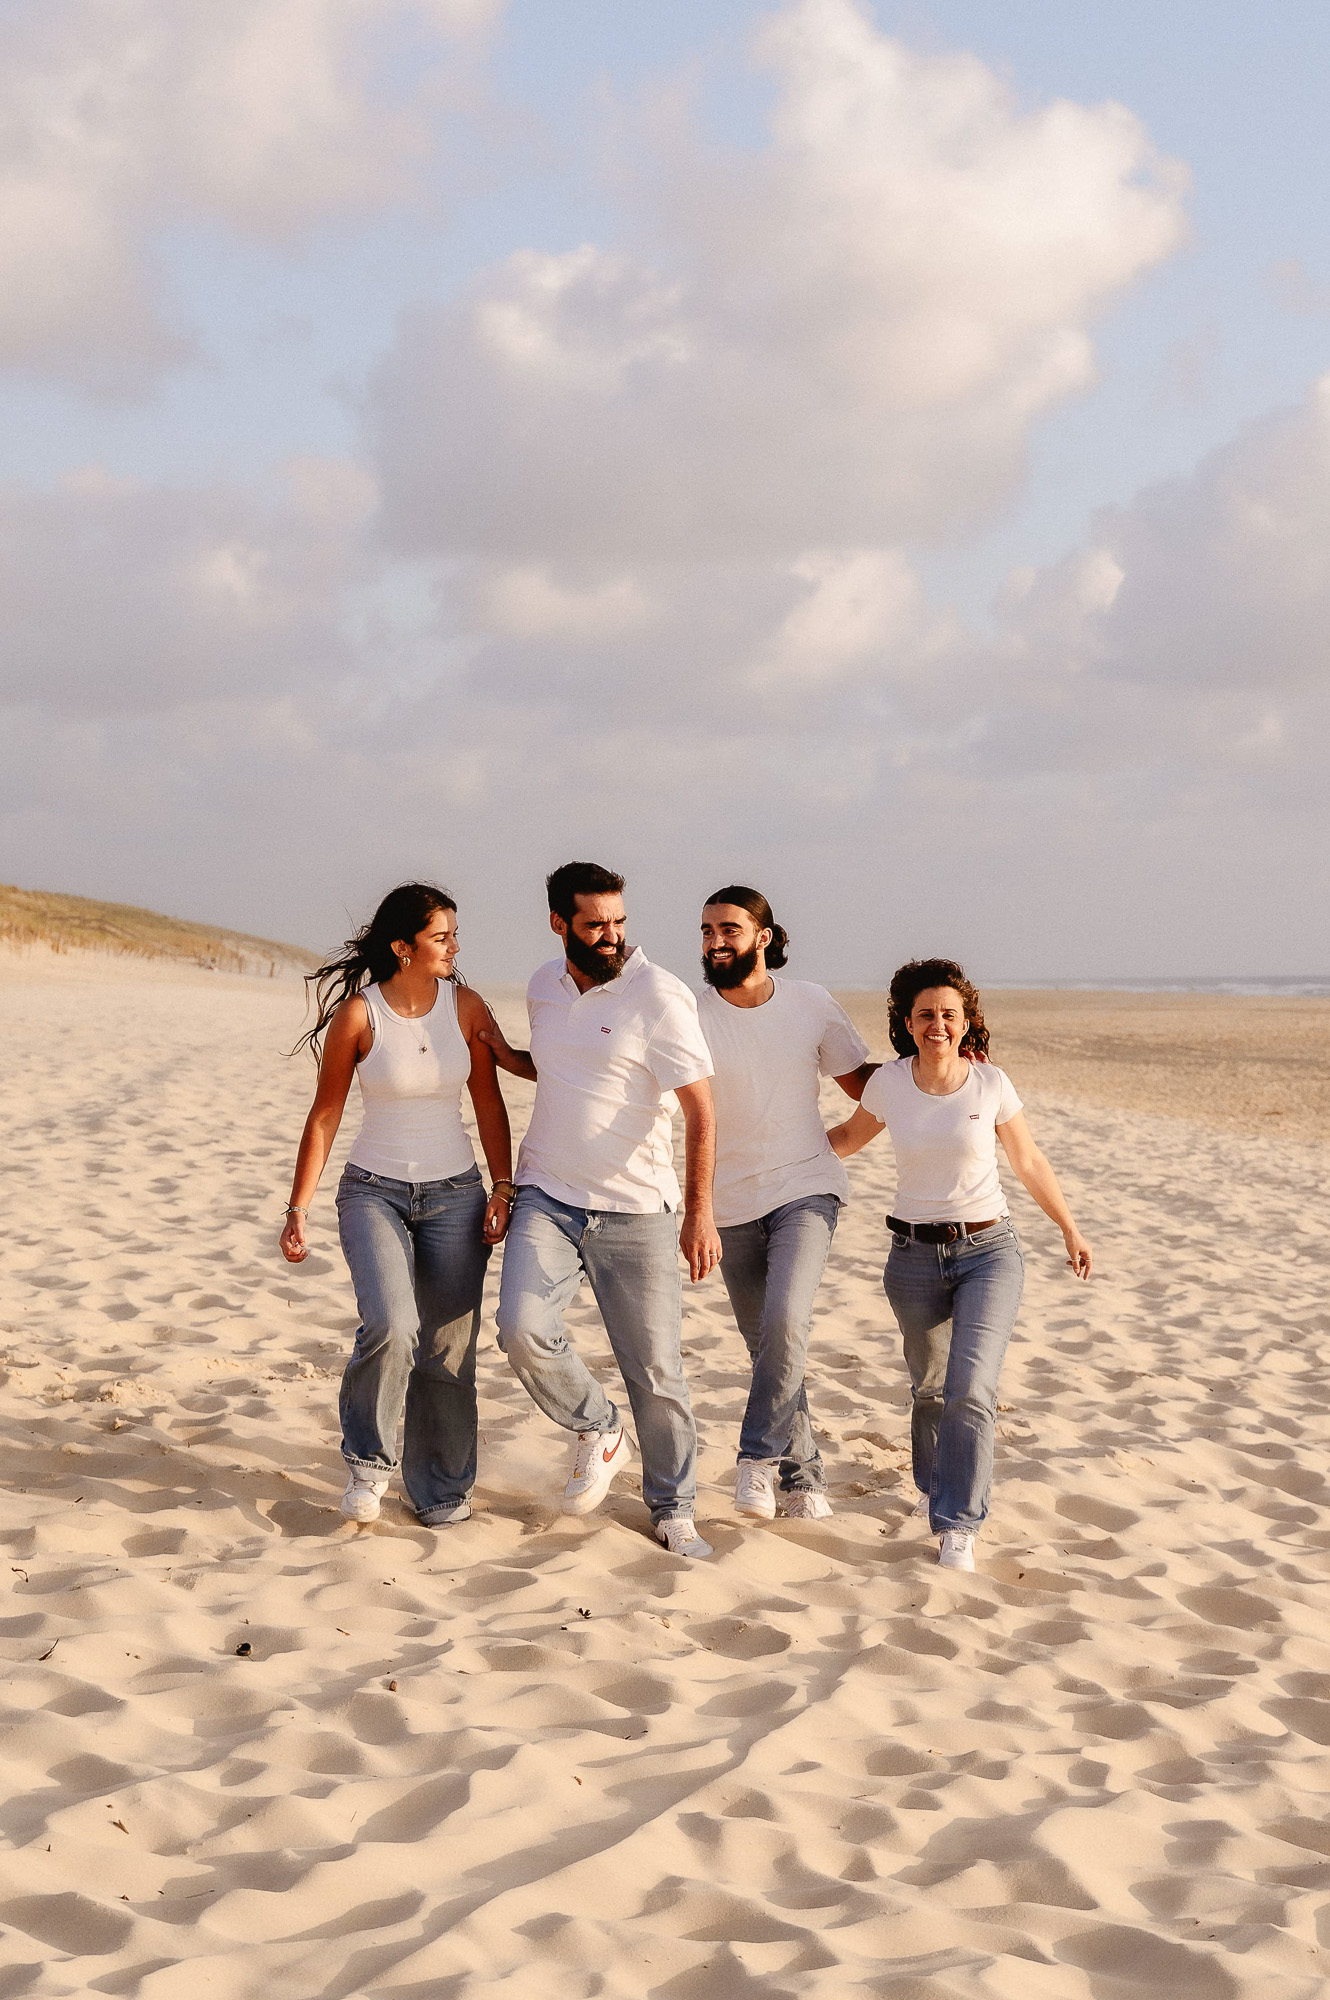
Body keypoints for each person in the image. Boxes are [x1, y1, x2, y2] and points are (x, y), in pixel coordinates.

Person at [480, 861, 721, 1558]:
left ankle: (674, 1510)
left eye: (619, 922)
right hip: (548, 1196)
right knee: (521, 1328)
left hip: (637, 1210)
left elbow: (702, 1111)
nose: (611, 937)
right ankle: (597, 1426)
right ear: (560, 923)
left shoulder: (662, 997)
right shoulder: (542, 987)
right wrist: (504, 1055)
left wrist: (697, 1212)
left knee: (656, 1370)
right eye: (595, 925)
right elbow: (565, 1064)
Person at [827, 957, 1091, 1573]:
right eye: (926, 1015)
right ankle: (937, 1486)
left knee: (972, 1389)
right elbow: (844, 1140)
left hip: (990, 1252)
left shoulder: (991, 1083)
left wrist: (1069, 1227)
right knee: (930, 1388)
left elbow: (1028, 1162)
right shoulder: (890, 1083)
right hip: (912, 1258)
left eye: (950, 1014)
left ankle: (957, 1524)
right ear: (908, 1022)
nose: (938, 1024)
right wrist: (767, 1147)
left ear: (967, 1021)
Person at [279, 883, 514, 1528]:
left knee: (447, 1350)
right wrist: (298, 1207)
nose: (453, 948)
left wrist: (502, 1185)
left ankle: (440, 1488)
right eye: (441, 937)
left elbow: (489, 1102)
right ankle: (367, 1462)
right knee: (390, 1324)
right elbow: (326, 1111)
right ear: (401, 947)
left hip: (456, 1195)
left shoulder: (465, 1007)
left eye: (453, 936)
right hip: (372, 1192)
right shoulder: (360, 1015)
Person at [698, 886, 874, 1523]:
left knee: (786, 1324)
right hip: (729, 1201)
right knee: (769, 1346)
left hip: (805, 1189)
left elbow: (871, 1087)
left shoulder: (809, 1003)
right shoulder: (688, 1013)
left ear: (763, 936)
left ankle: (755, 1460)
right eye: (708, 931)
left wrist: (940, 1069)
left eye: (731, 930)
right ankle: (805, 1480)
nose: (717, 942)